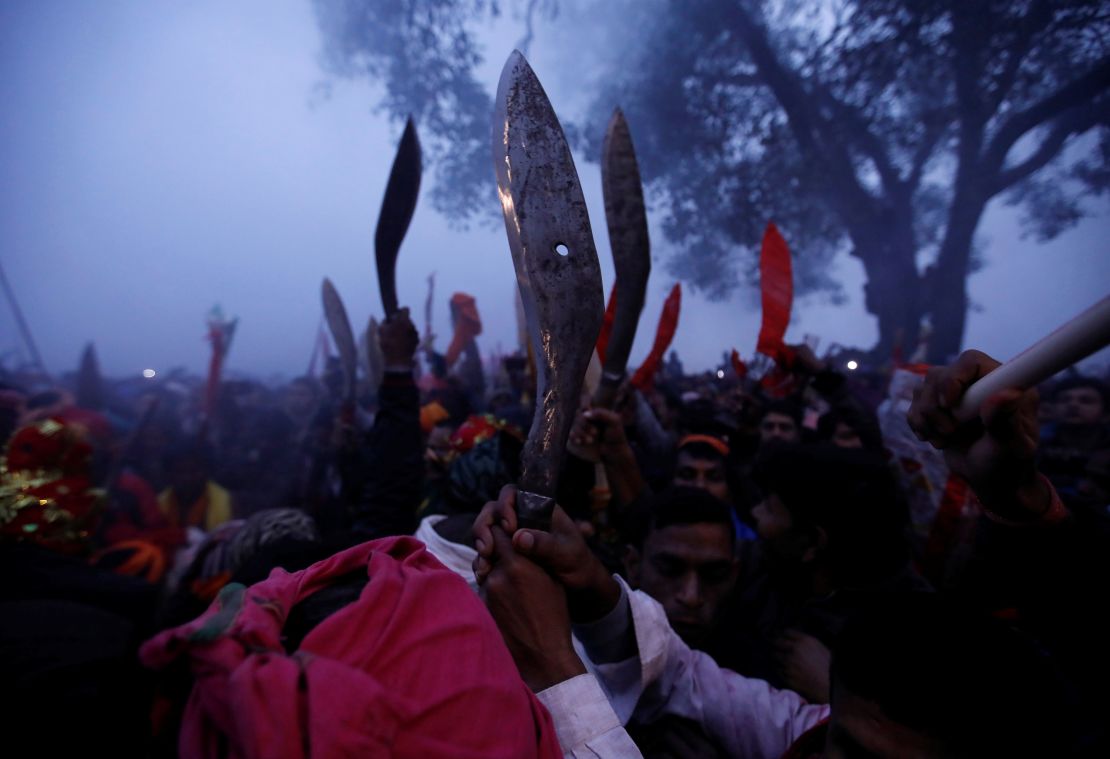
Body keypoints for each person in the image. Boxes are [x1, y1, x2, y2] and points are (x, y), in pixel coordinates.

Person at [472, 349, 1080, 758]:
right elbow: (686, 678)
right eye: (836, 736)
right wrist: (596, 593)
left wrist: (552, 665)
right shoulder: (812, 730)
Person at [621, 486, 739, 651]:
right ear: (633, 564)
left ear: (733, 575)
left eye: (714, 575)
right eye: (670, 570)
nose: (691, 597)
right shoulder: (586, 656)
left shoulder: (759, 660)